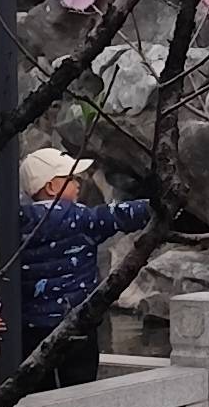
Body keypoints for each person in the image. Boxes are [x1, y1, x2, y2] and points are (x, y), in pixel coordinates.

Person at [15, 146, 149, 385]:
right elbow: (117, 215)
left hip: (31, 328)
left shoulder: (17, 223)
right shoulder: (78, 218)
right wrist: (153, 206)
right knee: (79, 384)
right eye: (71, 178)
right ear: (51, 187)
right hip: (76, 323)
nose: (78, 183)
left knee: (36, 388)